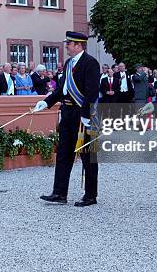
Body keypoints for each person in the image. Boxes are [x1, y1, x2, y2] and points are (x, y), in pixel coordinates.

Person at [34, 31, 100, 207]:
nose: (67, 46)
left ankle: (90, 195)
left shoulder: (91, 63)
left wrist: (87, 116)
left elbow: (92, 92)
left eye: (69, 43)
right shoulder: (70, 63)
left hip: (83, 115)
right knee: (63, 154)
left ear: (78, 45)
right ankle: (59, 193)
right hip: (68, 113)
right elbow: (61, 89)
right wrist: (46, 102)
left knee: (87, 155)